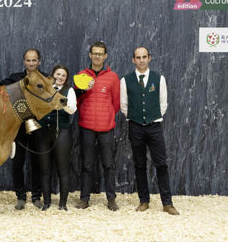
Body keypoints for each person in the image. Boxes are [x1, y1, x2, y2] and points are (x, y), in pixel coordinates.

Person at [120, 46, 179, 215]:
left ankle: (167, 203)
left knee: (161, 164)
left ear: (149, 58)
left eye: (144, 57)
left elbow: (163, 103)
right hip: (135, 126)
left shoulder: (158, 78)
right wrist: (135, 117)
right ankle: (143, 201)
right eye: (138, 57)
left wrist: (153, 117)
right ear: (133, 60)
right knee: (139, 165)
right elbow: (124, 105)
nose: (141, 60)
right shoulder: (125, 80)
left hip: (154, 127)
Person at [0, 48, 44, 210]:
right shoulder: (15, 78)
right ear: (24, 62)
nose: (31, 63)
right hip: (18, 127)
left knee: (37, 163)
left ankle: (36, 197)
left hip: (38, 127)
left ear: (39, 62)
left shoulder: (45, 78)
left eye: (34, 60)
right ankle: (20, 197)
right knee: (17, 163)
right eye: (28, 60)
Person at [74, 41, 120, 211]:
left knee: (108, 165)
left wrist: (106, 116)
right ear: (90, 55)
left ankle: (111, 199)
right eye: (94, 53)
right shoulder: (81, 76)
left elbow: (116, 103)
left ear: (105, 56)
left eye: (100, 54)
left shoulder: (113, 77)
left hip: (106, 128)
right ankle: (84, 199)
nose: (97, 56)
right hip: (86, 126)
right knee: (86, 165)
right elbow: (76, 101)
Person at [35, 65, 77, 210]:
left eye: (63, 76)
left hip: (62, 133)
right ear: (53, 75)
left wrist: (62, 102)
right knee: (45, 169)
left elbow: (72, 110)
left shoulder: (69, 90)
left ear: (66, 79)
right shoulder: (44, 89)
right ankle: (46, 202)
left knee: (63, 169)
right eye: (58, 74)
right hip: (43, 133)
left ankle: (63, 204)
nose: (60, 77)